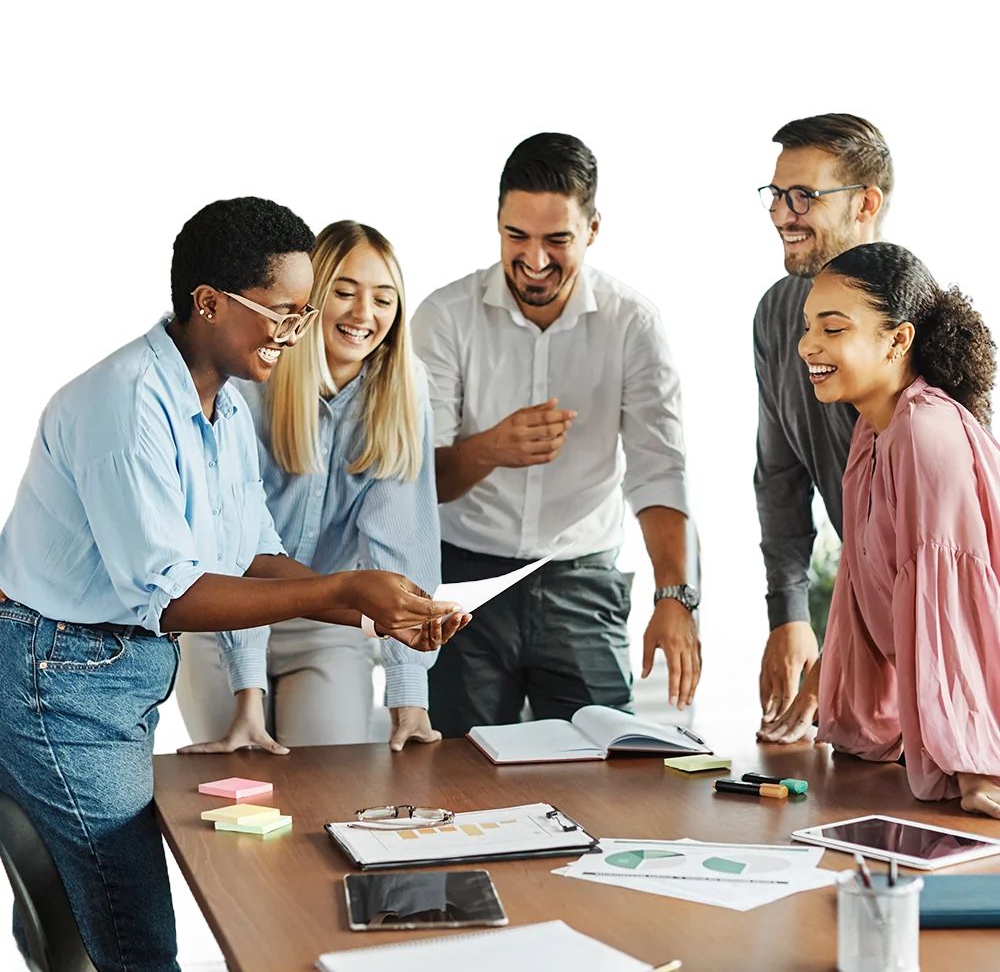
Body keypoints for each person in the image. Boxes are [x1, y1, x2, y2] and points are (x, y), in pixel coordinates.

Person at [0, 196, 464, 972]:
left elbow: (252, 552)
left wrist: (364, 599)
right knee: (135, 931)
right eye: (282, 310)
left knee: (117, 910)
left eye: (302, 311)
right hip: (64, 677)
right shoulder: (128, 405)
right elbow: (174, 594)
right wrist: (339, 591)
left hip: (113, 670)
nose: (298, 329)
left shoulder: (221, 410)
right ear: (208, 303)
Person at [410, 131, 701, 739]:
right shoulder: (443, 318)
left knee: (605, 765)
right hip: (464, 579)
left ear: (593, 230)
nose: (535, 259)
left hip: (581, 579)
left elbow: (658, 466)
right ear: (497, 223)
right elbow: (418, 482)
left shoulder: (632, 324)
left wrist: (674, 594)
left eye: (557, 239)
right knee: (457, 774)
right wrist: (491, 448)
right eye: (516, 236)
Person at [176, 219, 458, 754]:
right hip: (226, 622)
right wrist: (247, 693)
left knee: (329, 783)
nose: (363, 315)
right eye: (344, 293)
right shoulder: (253, 380)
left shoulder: (402, 390)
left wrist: (409, 695)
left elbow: (402, 543)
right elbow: (237, 550)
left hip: (328, 623)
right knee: (234, 791)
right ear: (307, 301)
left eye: (383, 298)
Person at [786, 241, 1000, 816]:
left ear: (898, 339)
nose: (809, 346)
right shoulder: (874, 431)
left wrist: (979, 765)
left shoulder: (926, 434)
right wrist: (838, 700)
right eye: (810, 327)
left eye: (833, 329)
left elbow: (957, 607)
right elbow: (861, 584)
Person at [751, 113, 894, 731]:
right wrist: (789, 613)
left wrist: (839, 652)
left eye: (804, 196)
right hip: (869, 619)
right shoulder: (777, 313)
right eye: (776, 195)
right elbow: (778, 476)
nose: (783, 214)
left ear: (865, 203)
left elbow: (929, 545)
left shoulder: (920, 325)